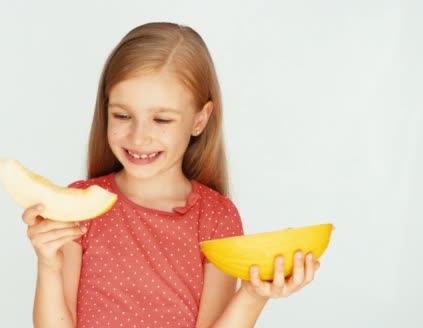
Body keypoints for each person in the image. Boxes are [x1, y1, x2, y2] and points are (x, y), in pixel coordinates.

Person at [21, 22, 320, 328]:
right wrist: (48, 264)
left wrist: (254, 295)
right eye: (122, 116)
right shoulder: (81, 206)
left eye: (161, 120)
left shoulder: (216, 217)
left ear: (200, 120)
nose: (138, 137)